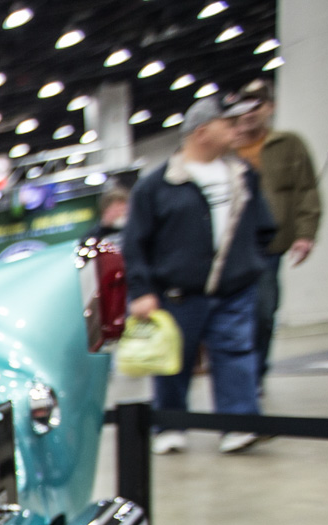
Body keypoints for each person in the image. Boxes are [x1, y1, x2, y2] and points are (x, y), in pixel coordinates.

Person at [123, 95, 277, 456]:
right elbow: (135, 243)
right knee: (174, 360)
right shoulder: (156, 185)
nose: (236, 129)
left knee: (236, 352)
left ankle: (239, 425)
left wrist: (250, 263)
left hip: (234, 287)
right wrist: (142, 290)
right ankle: (170, 425)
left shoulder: (243, 177)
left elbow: (263, 227)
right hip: (177, 291)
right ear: (203, 131)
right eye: (228, 123)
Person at [229, 80, 322, 392]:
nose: (250, 113)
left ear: (270, 107)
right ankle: (237, 378)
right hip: (227, 248)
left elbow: (306, 189)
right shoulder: (226, 148)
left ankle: (254, 375)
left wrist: (305, 233)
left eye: (257, 105)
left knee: (263, 312)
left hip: (269, 246)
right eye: (244, 105)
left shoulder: (289, 144)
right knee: (229, 317)